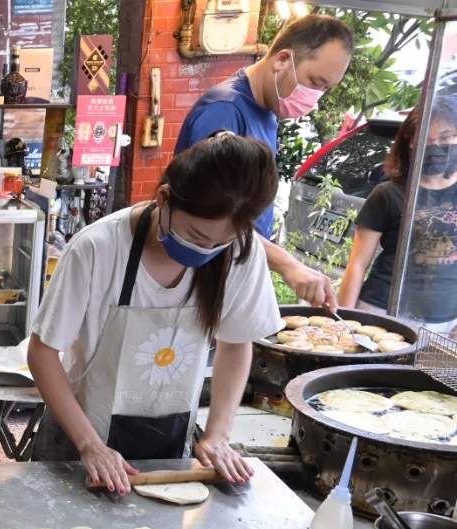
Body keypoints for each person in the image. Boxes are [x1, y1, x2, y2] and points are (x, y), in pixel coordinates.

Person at [27, 133, 282, 493]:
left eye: (217, 244)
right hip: (79, 439)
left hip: (170, 445)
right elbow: (42, 351)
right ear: (164, 198)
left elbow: (236, 343)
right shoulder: (99, 248)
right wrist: (90, 445)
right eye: (195, 234)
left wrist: (218, 436)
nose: (205, 251)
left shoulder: (240, 253)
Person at [176, 14, 354, 311]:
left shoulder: (265, 110)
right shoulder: (224, 112)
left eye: (325, 89)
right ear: (283, 59)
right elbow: (212, 216)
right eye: (314, 82)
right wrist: (286, 264)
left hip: (236, 267)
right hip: (207, 279)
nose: (315, 98)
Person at [339, 98, 457, 334]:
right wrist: (342, 323)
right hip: (382, 313)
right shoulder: (387, 194)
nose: (434, 146)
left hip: (445, 322)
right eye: (424, 138)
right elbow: (358, 264)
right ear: (410, 143)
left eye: (445, 137)